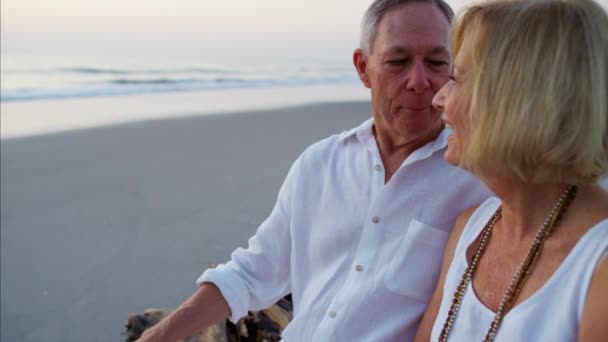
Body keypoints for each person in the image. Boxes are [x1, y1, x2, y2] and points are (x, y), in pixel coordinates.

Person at [138, 0, 491, 341]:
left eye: (436, 62)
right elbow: (251, 273)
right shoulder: (319, 165)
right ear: (362, 68)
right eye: (398, 61)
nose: (419, 80)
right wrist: (157, 337)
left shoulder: (480, 182)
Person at [414, 0, 608, 341]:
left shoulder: (597, 266)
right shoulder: (471, 228)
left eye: (456, 78)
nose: (438, 98)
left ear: (516, 98)